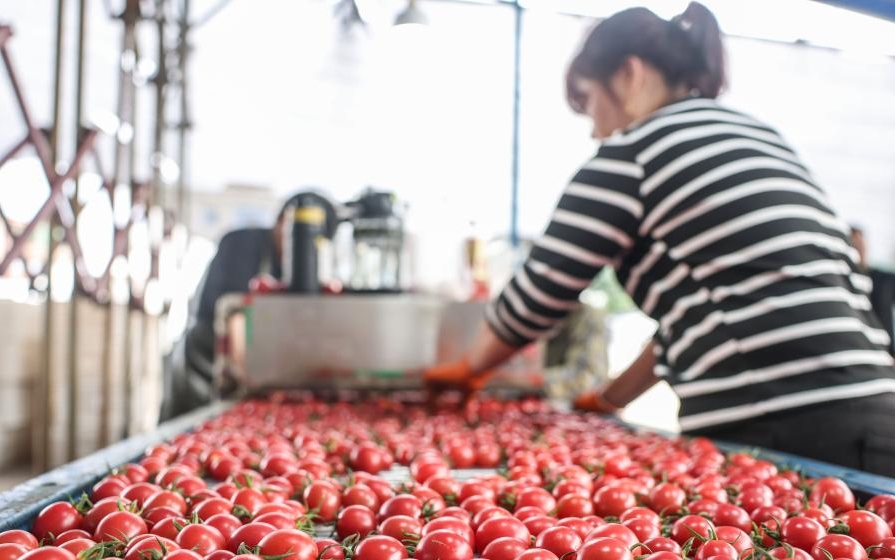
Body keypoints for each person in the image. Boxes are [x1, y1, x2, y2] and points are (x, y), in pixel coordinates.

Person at [425, 3, 895, 475]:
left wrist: (468, 371)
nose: (595, 130)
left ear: (628, 74)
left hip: (778, 425)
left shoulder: (635, 153)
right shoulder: (757, 135)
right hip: (875, 413)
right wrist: (608, 399)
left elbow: (540, 292)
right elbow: (699, 322)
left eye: (588, 101)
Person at [161, 190, 337, 421]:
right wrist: (252, 389)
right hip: (205, 356)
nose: (307, 251)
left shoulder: (294, 266)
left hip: (247, 364)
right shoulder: (241, 243)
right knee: (188, 428)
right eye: (302, 238)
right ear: (282, 222)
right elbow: (237, 319)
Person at [850, 226, 895, 355]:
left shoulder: (885, 279)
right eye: (855, 245)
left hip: (887, 352)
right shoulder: (842, 280)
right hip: (858, 351)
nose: (860, 249)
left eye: (861, 245)